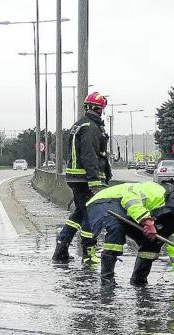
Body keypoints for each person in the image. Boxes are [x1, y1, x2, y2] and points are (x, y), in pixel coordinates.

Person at [86, 181, 174, 286]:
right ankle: (107, 281)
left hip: (127, 213)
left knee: (154, 242)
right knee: (117, 229)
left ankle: (138, 281)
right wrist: (146, 220)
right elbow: (129, 198)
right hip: (107, 201)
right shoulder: (157, 191)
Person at [52, 92, 112, 265]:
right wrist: (94, 181)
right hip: (85, 179)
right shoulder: (90, 127)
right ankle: (88, 253)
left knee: (79, 213)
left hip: (77, 178)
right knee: (90, 215)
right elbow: (89, 155)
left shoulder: (81, 125)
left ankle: (61, 248)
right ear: (91, 108)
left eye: (100, 109)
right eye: (97, 109)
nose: (99, 112)